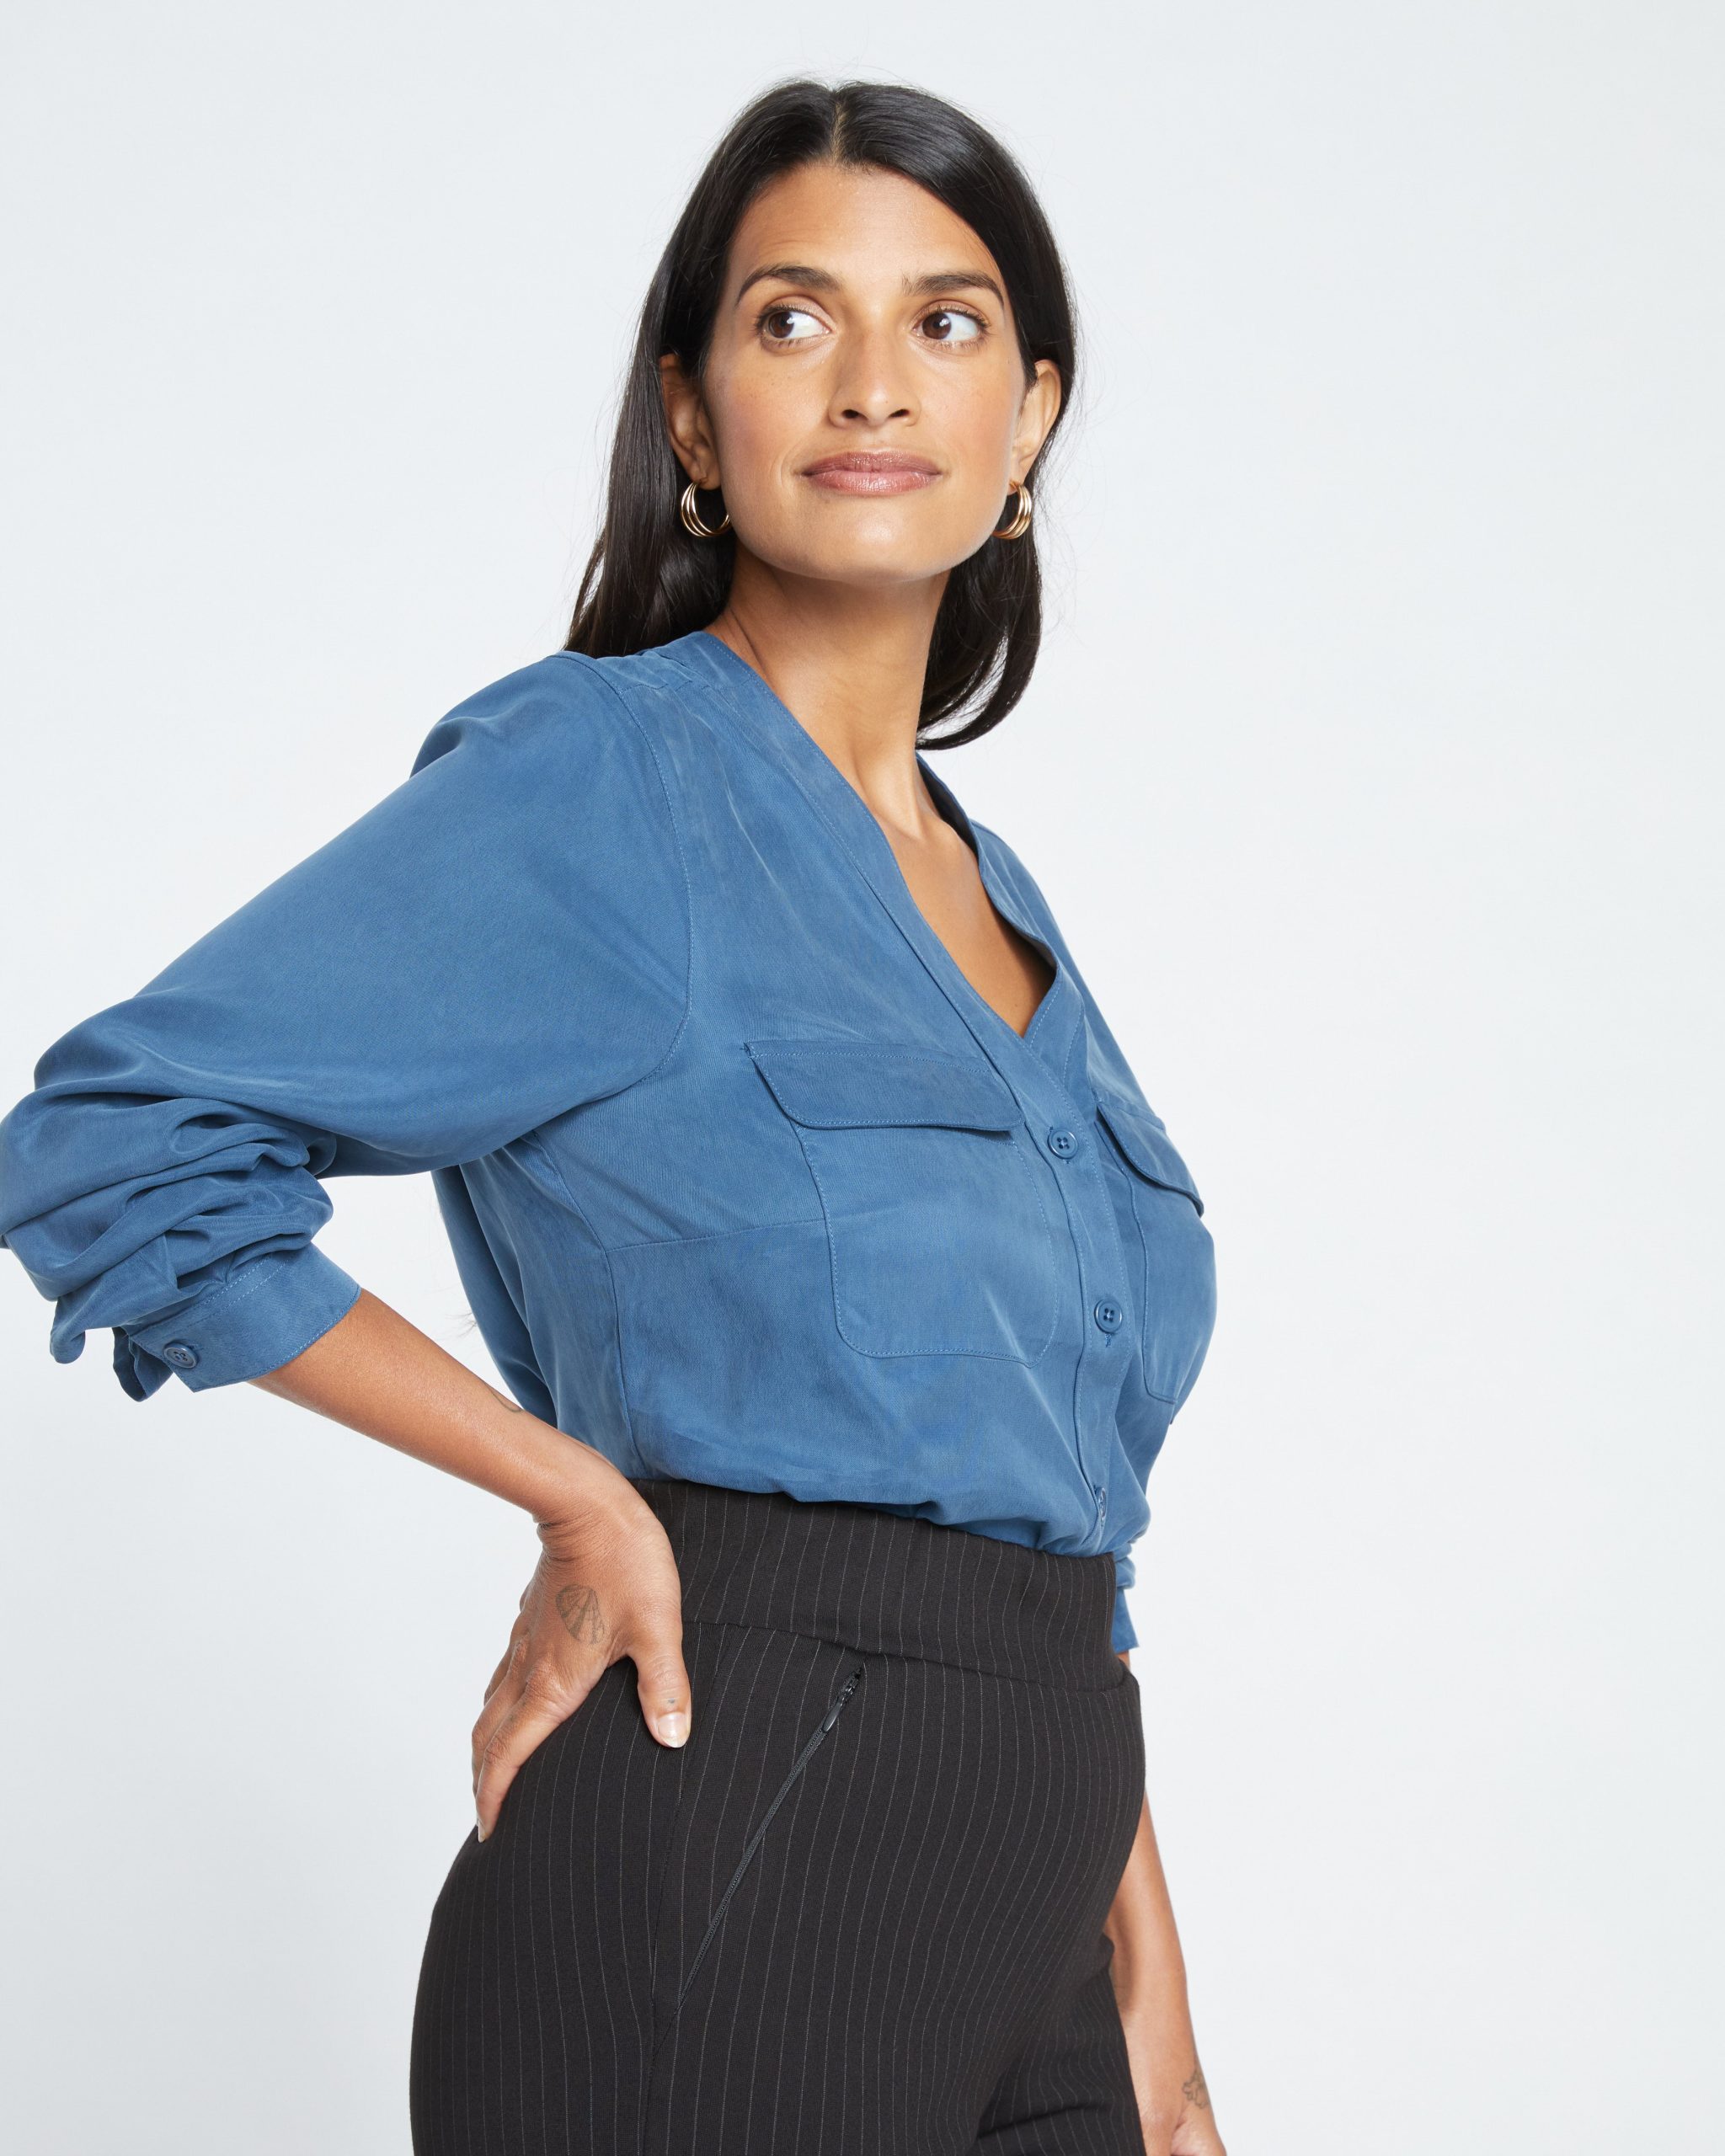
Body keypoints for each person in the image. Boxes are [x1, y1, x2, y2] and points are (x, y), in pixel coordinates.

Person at [0, 76, 1223, 2156]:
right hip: (733, 1837)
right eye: (790, 317)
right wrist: (573, 1492)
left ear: (1028, 416)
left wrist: (1153, 2017)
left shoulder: (993, 894)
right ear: (690, 418)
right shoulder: (610, 778)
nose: (870, 380)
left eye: (943, 322)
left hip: (1037, 1903)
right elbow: (115, 1137)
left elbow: (1051, 1520)